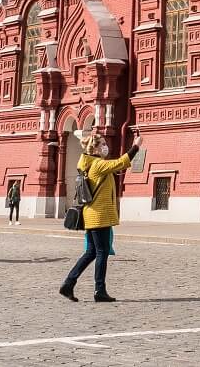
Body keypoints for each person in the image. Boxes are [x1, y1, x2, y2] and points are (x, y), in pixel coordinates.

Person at [61, 125, 140, 302]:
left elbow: (116, 168)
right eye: (103, 144)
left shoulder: (90, 164)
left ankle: (68, 283)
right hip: (99, 216)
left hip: (93, 215)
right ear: (95, 148)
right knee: (102, 252)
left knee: (91, 252)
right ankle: (99, 290)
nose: (106, 147)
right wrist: (136, 146)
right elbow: (120, 162)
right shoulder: (97, 164)